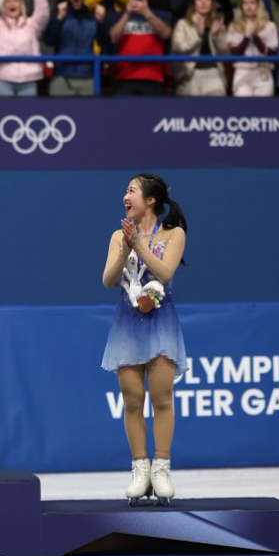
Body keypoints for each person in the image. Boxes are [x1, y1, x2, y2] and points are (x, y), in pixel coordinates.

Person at [101, 174, 188, 506]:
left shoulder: (173, 234)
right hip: (127, 325)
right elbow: (108, 280)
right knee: (133, 399)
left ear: (150, 200)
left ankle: (161, 468)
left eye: (132, 190)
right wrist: (124, 249)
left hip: (161, 324)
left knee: (162, 397)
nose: (125, 195)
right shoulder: (117, 236)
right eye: (125, 190)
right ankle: (140, 468)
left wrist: (139, 245)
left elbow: (165, 274)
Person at [106, 0, 172, 96]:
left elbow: (165, 34)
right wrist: (127, 14)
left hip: (152, 77)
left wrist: (147, 13)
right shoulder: (120, 15)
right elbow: (113, 37)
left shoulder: (160, 14)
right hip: (124, 77)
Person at [45, 0, 105, 96]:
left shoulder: (92, 18)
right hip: (62, 75)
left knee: (88, 113)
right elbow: (49, 41)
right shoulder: (59, 17)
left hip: (87, 76)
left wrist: (101, 23)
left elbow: (105, 42)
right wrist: (58, 19)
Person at [170, 0, 229, 96]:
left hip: (214, 74)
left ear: (212, 3)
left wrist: (217, 35)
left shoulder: (218, 25)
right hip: (190, 74)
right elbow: (177, 48)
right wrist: (198, 35)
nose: (203, 2)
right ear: (194, 4)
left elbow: (226, 52)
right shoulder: (183, 24)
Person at [226, 0, 278, 97]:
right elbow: (234, 53)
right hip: (242, 72)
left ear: (258, 5)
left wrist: (254, 36)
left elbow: (271, 53)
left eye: (252, 3)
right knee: (243, 110)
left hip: (263, 72)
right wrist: (246, 36)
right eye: (245, 3)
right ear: (241, 6)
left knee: (264, 111)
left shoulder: (270, 26)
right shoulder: (234, 26)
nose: (249, 6)